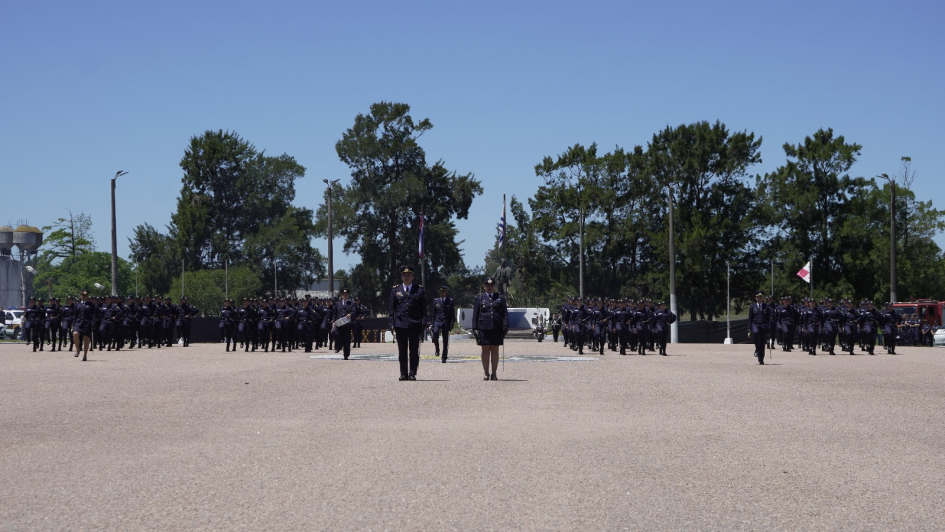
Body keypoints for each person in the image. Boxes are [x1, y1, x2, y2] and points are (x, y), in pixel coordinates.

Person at [388, 266, 427, 381]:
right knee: (402, 350)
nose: (406, 277)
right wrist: (391, 323)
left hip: (415, 324)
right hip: (400, 324)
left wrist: (424, 322)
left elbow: (423, 309)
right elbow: (391, 309)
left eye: (409, 275)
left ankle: (412, 373)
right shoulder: (396, 290)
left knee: (414, 350)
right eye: (404, 275)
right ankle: (403, 372)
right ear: (401, 276)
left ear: (413, 276)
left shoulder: (419, 290)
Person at [472, 277, 508, 380]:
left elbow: (504, 313)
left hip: (496, 327)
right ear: (485, 287)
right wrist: (475, 328)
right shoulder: (479, 298)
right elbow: (475, 315)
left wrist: (505, 325)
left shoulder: (500, 298)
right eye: (488, 286)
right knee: (485, 350)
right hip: (484, 327)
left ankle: (494, 373)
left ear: (494, 286)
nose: (490, 287)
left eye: (491, 285)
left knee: (495, 350)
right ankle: (486, 373)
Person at [430, 285, 455, 363]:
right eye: (441, 292)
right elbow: (433, 313)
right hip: (438, 321)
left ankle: (444, 356)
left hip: (446, 322)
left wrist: (451, 324)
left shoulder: (450, 301)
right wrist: (433, 323)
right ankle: (437, 348)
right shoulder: (436, 301)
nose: (442, 293)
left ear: (446, 292)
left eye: (444, 292)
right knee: (435, 334)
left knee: (445, 340)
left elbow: (452, 314)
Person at [330, 288, 356, 359]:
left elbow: (354, 312)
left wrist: (350, 314)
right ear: (341, 295)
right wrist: (333, 321)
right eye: (344, 294)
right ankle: (338, 346)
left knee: (346, 339)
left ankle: (346, 355)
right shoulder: (338, 303)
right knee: (334, 332)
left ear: (348, 295)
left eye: (346, 294)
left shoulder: (351, 304)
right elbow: (334, 314)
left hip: (346, 323)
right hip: (338, 322)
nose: (345, 296)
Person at [748, 292, 771, 364]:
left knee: (762, 342)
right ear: (756, 298)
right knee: (755, 333)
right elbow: (750, 318)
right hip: (755, 324)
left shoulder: (766, 307)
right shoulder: (752, 307)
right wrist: (749, 328)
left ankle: (761, 358)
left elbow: (768, 318)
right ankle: (757, 349)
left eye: (760, 297)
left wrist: (769, 327)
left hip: (763, 325)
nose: (759, 298)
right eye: (758, 297)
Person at [73, 290, 94, 360]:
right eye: (83, 295)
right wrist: (73, 325)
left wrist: (93, 324)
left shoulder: (91, 304)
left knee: (86, 338)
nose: (84, 297)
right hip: (78, 322)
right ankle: (77, 349)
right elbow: (75, 315)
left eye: (85, 295)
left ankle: (85, 354)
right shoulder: (77, 304)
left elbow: (93, 315)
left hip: (87, 323)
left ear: (87, 296)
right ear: (80, 296)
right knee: (75, 334)